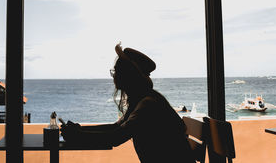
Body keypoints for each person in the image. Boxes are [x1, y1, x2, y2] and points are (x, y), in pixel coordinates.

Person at [61, 43, 196, 163]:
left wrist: (78, 135)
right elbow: (115, 127)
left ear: (128, 75)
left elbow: (116, 137)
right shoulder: (145, 100)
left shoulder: (147, 105)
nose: (114, 75)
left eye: (117, 71)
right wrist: (80, 129)